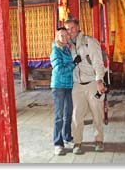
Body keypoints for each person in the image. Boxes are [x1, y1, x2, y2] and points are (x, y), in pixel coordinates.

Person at [64, 19, 106, 154]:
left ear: (78, 28)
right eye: (67, 29)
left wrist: (99, 81)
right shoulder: (68, 46)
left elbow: (98, 62)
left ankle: (99, 140)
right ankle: (77, 142)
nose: (70, 31)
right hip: (76, 85)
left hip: (93, 83)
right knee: (76, 115)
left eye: (72, 28)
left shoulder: (90, 42)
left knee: (97, 113)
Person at [50, 27, 76, 156]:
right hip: (59, 86)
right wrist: (73, 64)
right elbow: (59, 69)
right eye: (62, 35)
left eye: (66, 35)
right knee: (59, 115)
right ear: (57, 37)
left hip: (69, 85)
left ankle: (67, 136)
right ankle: (58, 143)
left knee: (68, 113)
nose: (65, 37)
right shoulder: (55, 50)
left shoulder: (66, 49)